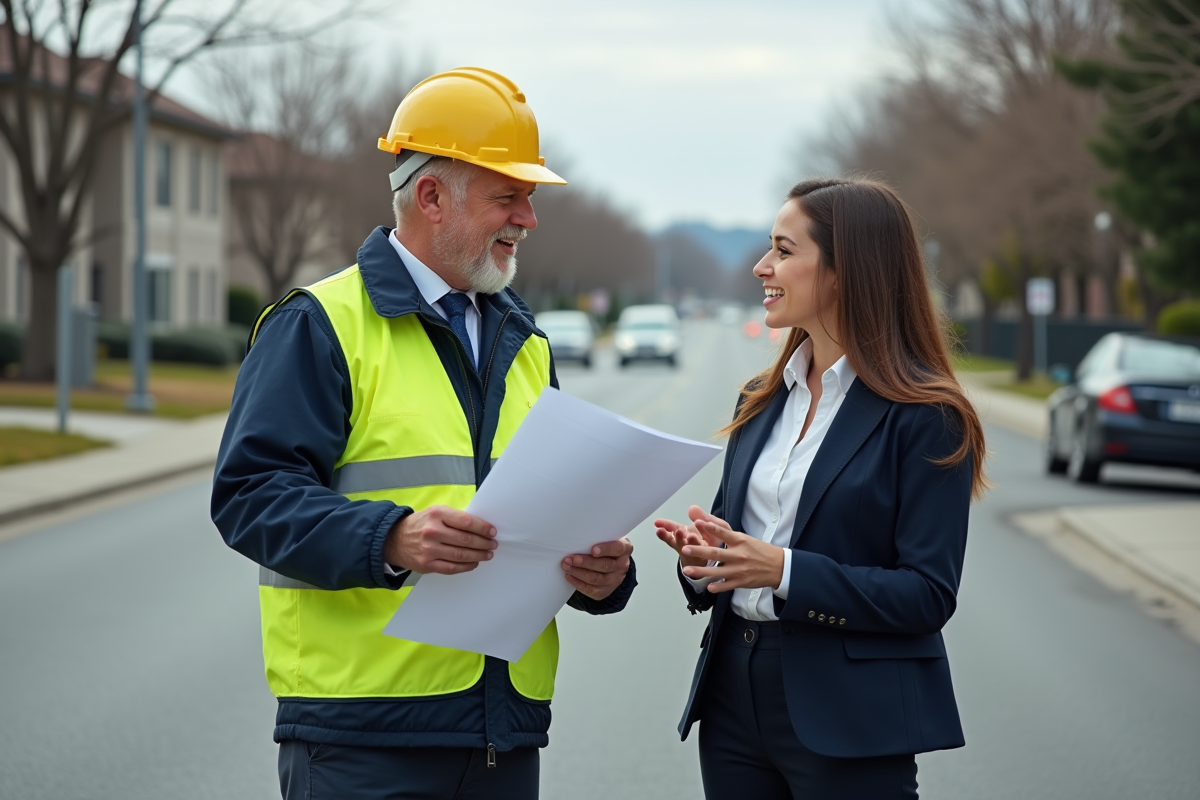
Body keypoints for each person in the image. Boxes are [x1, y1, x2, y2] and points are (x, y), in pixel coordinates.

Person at [211, 67, 636, 800]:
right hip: (362, 741)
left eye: (529, 199)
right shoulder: (319, 324)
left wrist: (604, 578)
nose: (528, 220)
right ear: (432, 196)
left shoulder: (523, 339)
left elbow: (549, 509)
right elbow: (249, 496)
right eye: (509, 196)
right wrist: (393, 540)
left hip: (502, 736)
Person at [655, 178, 986, 799]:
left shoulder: (926, 415)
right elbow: (739, 547)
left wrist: (781, 570)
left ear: (844, 271)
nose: (762, 267)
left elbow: (927, 594)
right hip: (732, 697)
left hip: (850, 714)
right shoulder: (758, 402)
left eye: (783, 250)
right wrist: (707, 560)